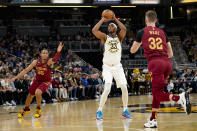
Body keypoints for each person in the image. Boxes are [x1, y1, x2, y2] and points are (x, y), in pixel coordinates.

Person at [130, 10, 191, 128]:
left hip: (155, 63)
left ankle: (179, 98)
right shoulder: (163, 32)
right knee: (156, 93)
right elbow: (171, 53)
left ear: (146, 20)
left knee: (158, 94)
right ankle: (153, 119)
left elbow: (133, 50)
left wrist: (140, 43)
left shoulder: (141, 32)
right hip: (167, 63)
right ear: (156, 20)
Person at [92, 11, 131, 120]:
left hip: (118, 66)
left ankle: (125, 110)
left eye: (112, 25)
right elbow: (94, 30)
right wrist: (102, 20)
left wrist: (115, 19)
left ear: (115, 28)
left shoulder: (120, 37)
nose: (110, 25)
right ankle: (99, 111)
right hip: (107, 67)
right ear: (108, 29)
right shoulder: (104, 37)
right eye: (109, 25)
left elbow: (124, 29)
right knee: (107, 88)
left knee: (124, 87)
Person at [9, 42, 63, 118]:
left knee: (38, 92)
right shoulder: (35, 62)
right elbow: (25, 70)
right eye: (43, 53)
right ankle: (26, 109)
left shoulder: (49, 61)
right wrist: (15, 77)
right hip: (37, 80)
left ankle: (38, 109)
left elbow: (55, 59)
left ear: (48, 54)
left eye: (46, 53)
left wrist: (58, 51)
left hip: (46, 81)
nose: (45, 54)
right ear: (40, 54)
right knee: (30, 95)